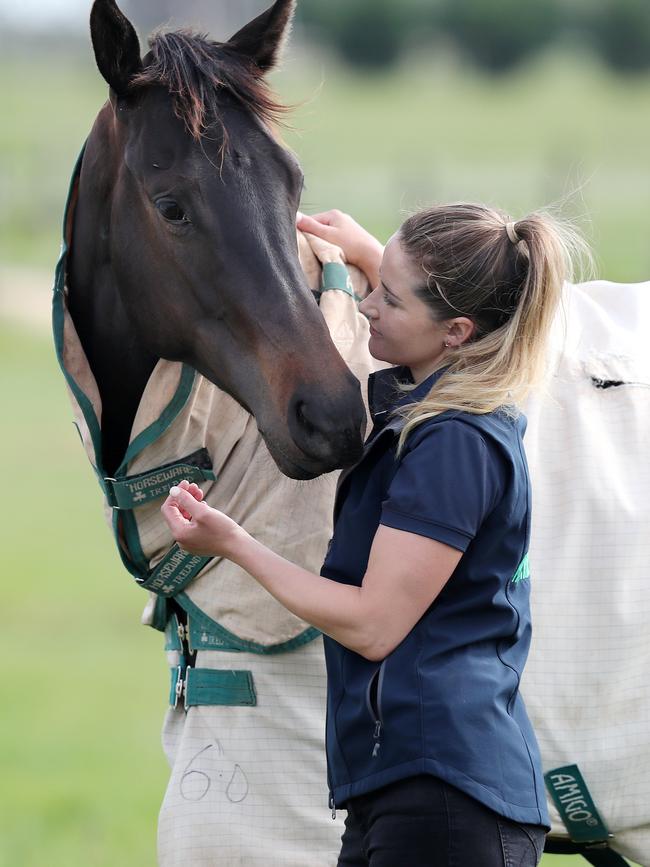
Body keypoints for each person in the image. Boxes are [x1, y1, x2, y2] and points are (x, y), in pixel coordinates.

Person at [161, 202, 585, 867]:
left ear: (457, 332)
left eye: (390, 298)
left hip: (444, 798)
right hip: (403, 789)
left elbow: (373, 624)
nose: (365, 308)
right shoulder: (451, 410)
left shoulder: (452, 446)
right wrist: (370, 253)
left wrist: (233, 544)